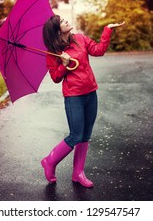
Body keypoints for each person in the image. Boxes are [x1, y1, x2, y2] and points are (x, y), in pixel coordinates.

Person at [41, 15, 124, 188]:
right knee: (76, 135)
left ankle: (78, 173)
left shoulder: (79, 39)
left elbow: (99, 50)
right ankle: (50, 161)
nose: (66, 22)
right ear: (57, 30)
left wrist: (107, 30)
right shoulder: (52, 52)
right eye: (62, 22)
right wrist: (63, 63)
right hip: (73, 97)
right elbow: (56, 77)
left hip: (90, 93)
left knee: (85, 135)